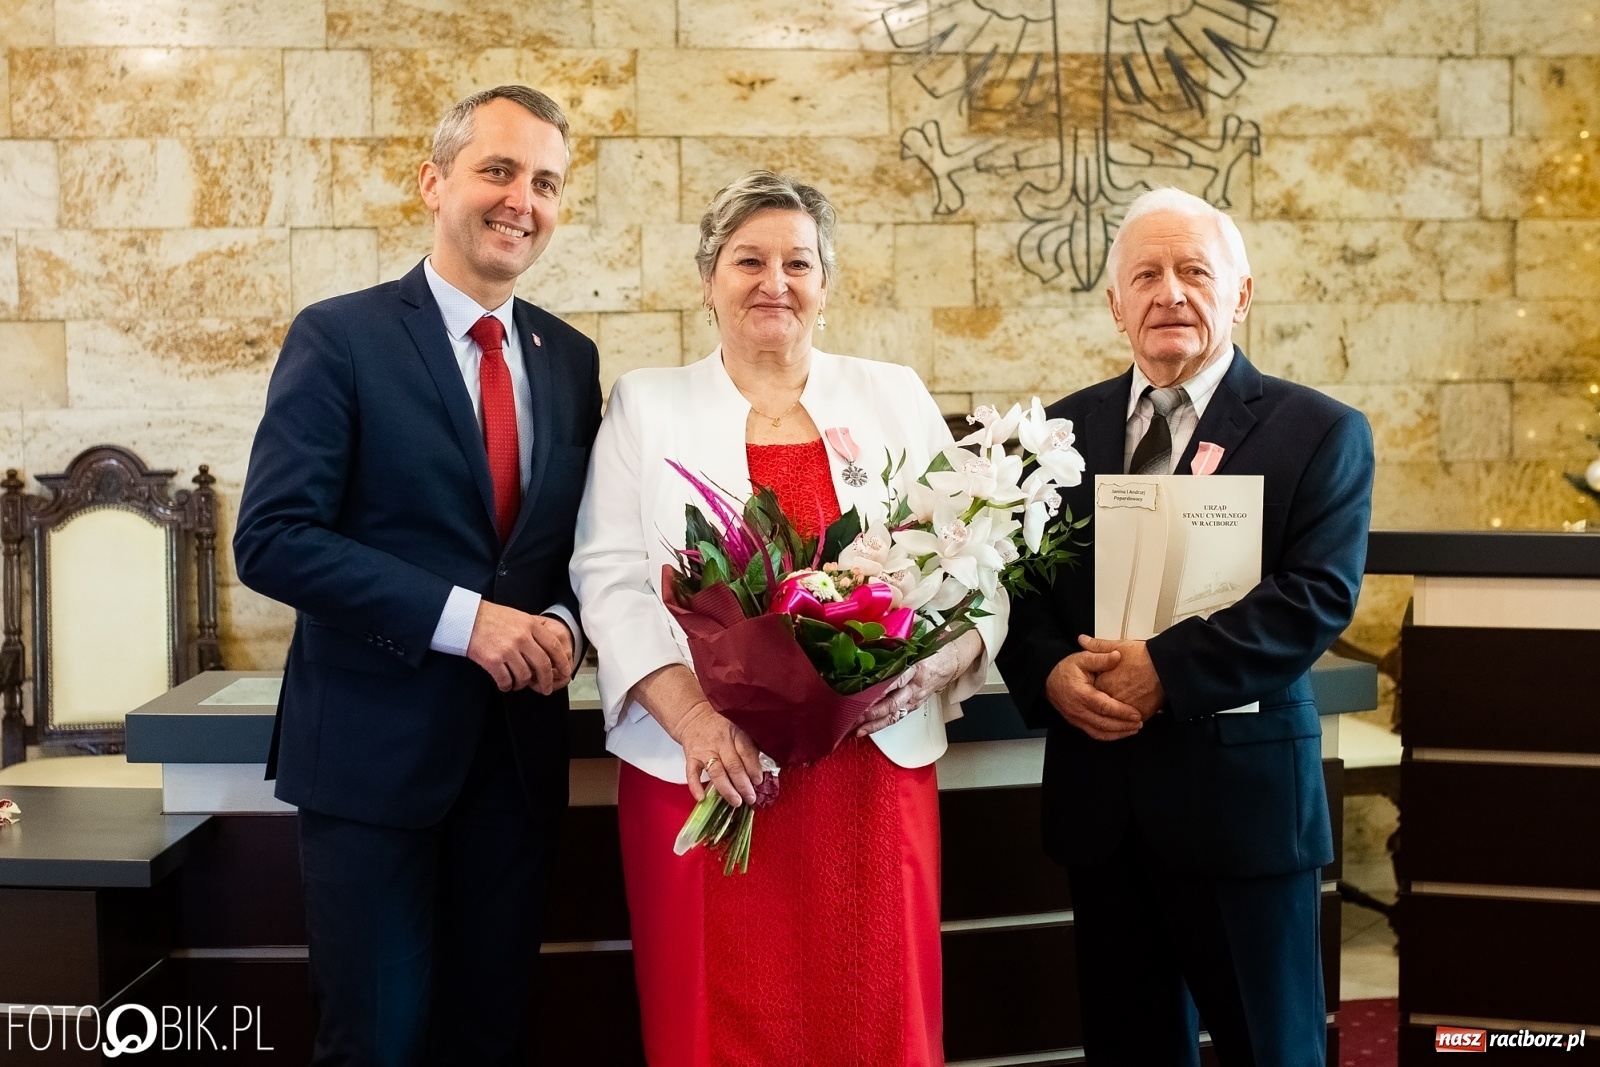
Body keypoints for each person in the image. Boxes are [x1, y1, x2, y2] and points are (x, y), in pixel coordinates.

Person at [570, 171, 1007, 1067]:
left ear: (826, 280)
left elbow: (976, 563)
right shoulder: (645, 403)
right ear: (708, 277)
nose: (775, 281)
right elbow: (609, 577)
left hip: (869, 775)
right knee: (716, 1022)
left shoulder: (894, 395)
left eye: (798, 262)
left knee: (875, 1011)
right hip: (710, 767)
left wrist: (941, 659)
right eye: (749, 260)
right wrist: (693, 717)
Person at [233, 86, 601, 1066]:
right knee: (378, 1042)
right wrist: (465, 619)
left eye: (547, 181)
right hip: (371, 767)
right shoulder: (340, 336)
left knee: (490, 1034)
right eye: (498, 169)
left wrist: (565, 617)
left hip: (516, 769)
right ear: (432, 181)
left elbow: (570, 546)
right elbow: (271, 536)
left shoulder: (569, 357)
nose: (522, 199)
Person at [995, 187, 1374, 1066]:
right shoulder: (1055, 434)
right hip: (1103, 807)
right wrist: (1050, 671)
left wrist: (1162, 668)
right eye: (1147, 274)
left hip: (1245, 812)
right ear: (1115, 303)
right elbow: (1015, 589)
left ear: (1240, 294)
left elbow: (1314, 596)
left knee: (1270, 1048)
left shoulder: (1318, 431)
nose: (1170, 292)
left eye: (1195, 271)